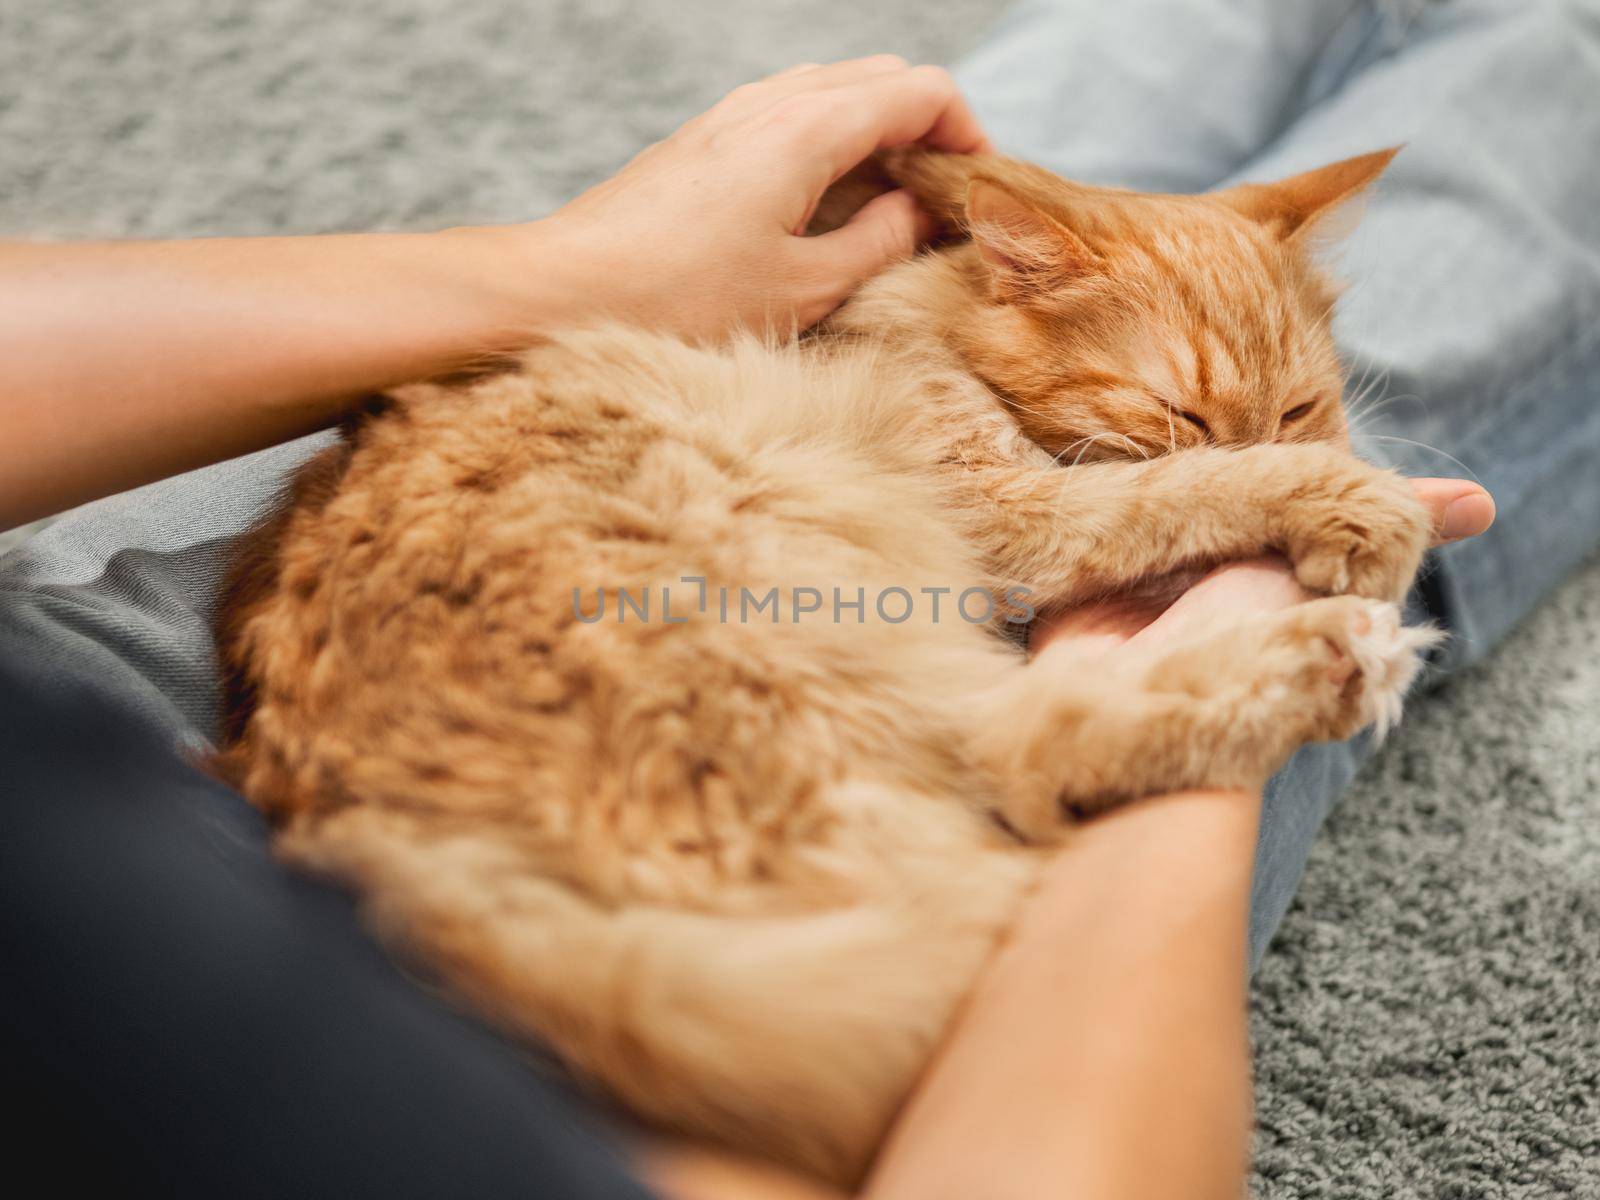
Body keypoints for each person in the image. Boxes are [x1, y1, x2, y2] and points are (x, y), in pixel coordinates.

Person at [1, 0, 1593, 1191]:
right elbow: (1032, 531)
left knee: (925, 183)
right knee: (1530, 103)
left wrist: (567, 270)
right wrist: (1189, 719)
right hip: (602, 784)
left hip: (186, 683)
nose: (1257, 430)